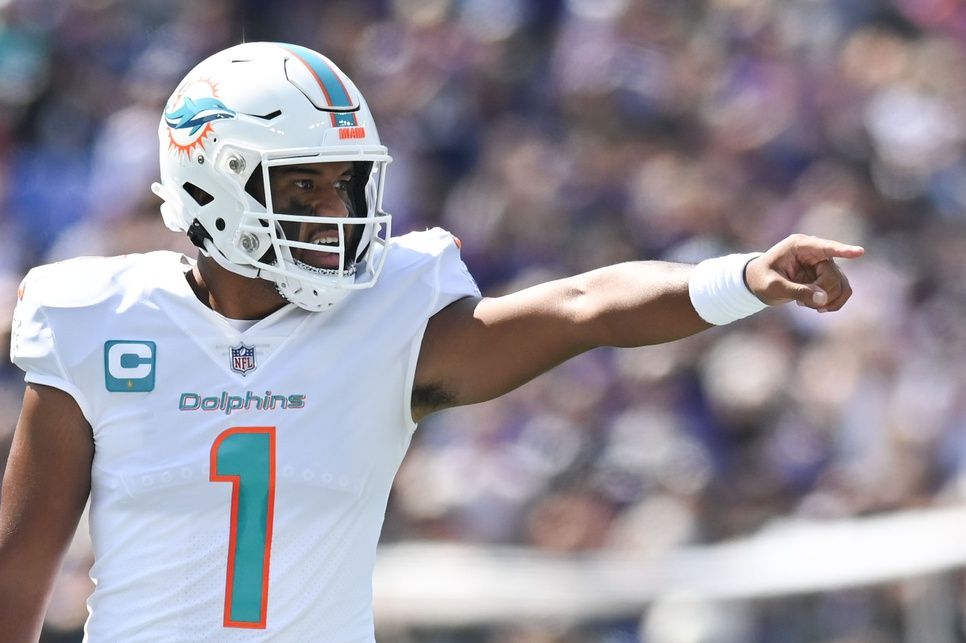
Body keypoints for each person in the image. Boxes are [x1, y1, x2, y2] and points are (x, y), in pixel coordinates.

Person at [0, 42, 862, 642]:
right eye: (302, 184)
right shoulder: (98, 315)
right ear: (211, 179)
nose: (336, 212)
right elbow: (20, 560)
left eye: (346, 184)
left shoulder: (392, 319)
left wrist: (742, 277)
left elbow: (585, 304)